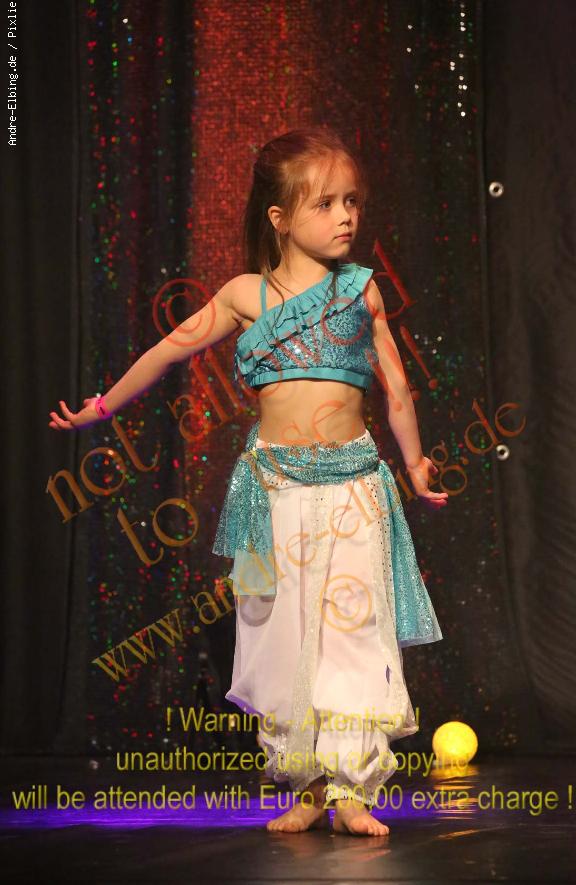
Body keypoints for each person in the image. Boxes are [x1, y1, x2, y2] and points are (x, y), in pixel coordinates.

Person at [49, 126, 448, 837]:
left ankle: (352, 789)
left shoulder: (361, 290)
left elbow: (395, 387)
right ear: (280, 217)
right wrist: (101, 407)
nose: (346, 215)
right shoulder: (246, 295)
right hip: (271, 495)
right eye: (326, 203)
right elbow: (167, 352)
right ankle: (308, 784)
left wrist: (414, 464)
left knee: (352, 631)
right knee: (279, 635)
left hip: (353, 490)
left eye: (352, 201)